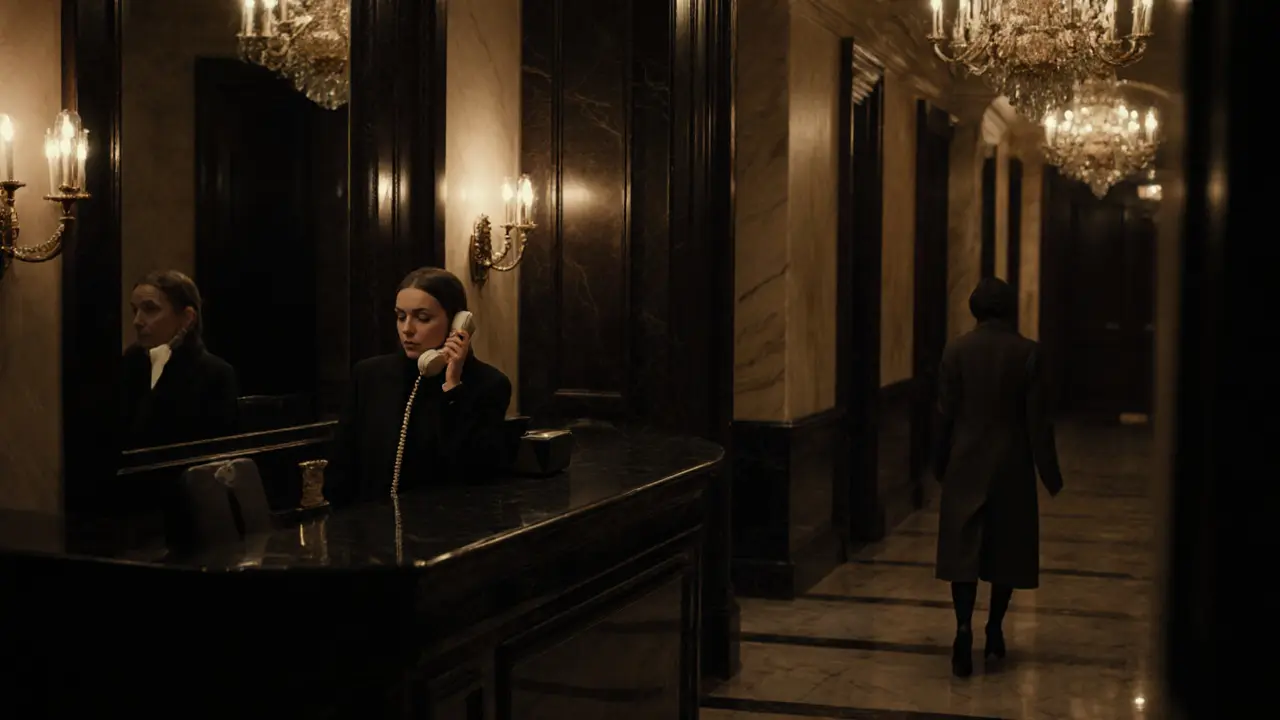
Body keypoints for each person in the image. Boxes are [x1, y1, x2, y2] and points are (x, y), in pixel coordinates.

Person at [933, 277, 1065, 678]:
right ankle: (993, 628)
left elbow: (944, 413)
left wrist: (939, 464)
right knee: (1006, 549)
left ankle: (961, 628)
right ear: (1009, 309)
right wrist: (1050, 474)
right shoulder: (1029, 353)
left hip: (965, 461)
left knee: (963, 551)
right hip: (1012, 463)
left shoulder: (955, 350)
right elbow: (1038, 423)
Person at [329, 267, 512, 504]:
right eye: (400, 316)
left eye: (422, 318)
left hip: (445, 530)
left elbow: (476, 473)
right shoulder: (370, 375)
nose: (407, 329)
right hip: (371, 528)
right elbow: (342, 466)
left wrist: (452, 387)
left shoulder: (489, 385)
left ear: (457, 323)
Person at [121, 270, 239, 448]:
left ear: (186, 318)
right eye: (135, 310)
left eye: (150, 309)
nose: (137, 321)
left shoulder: (214, 373)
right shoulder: (132, 361)